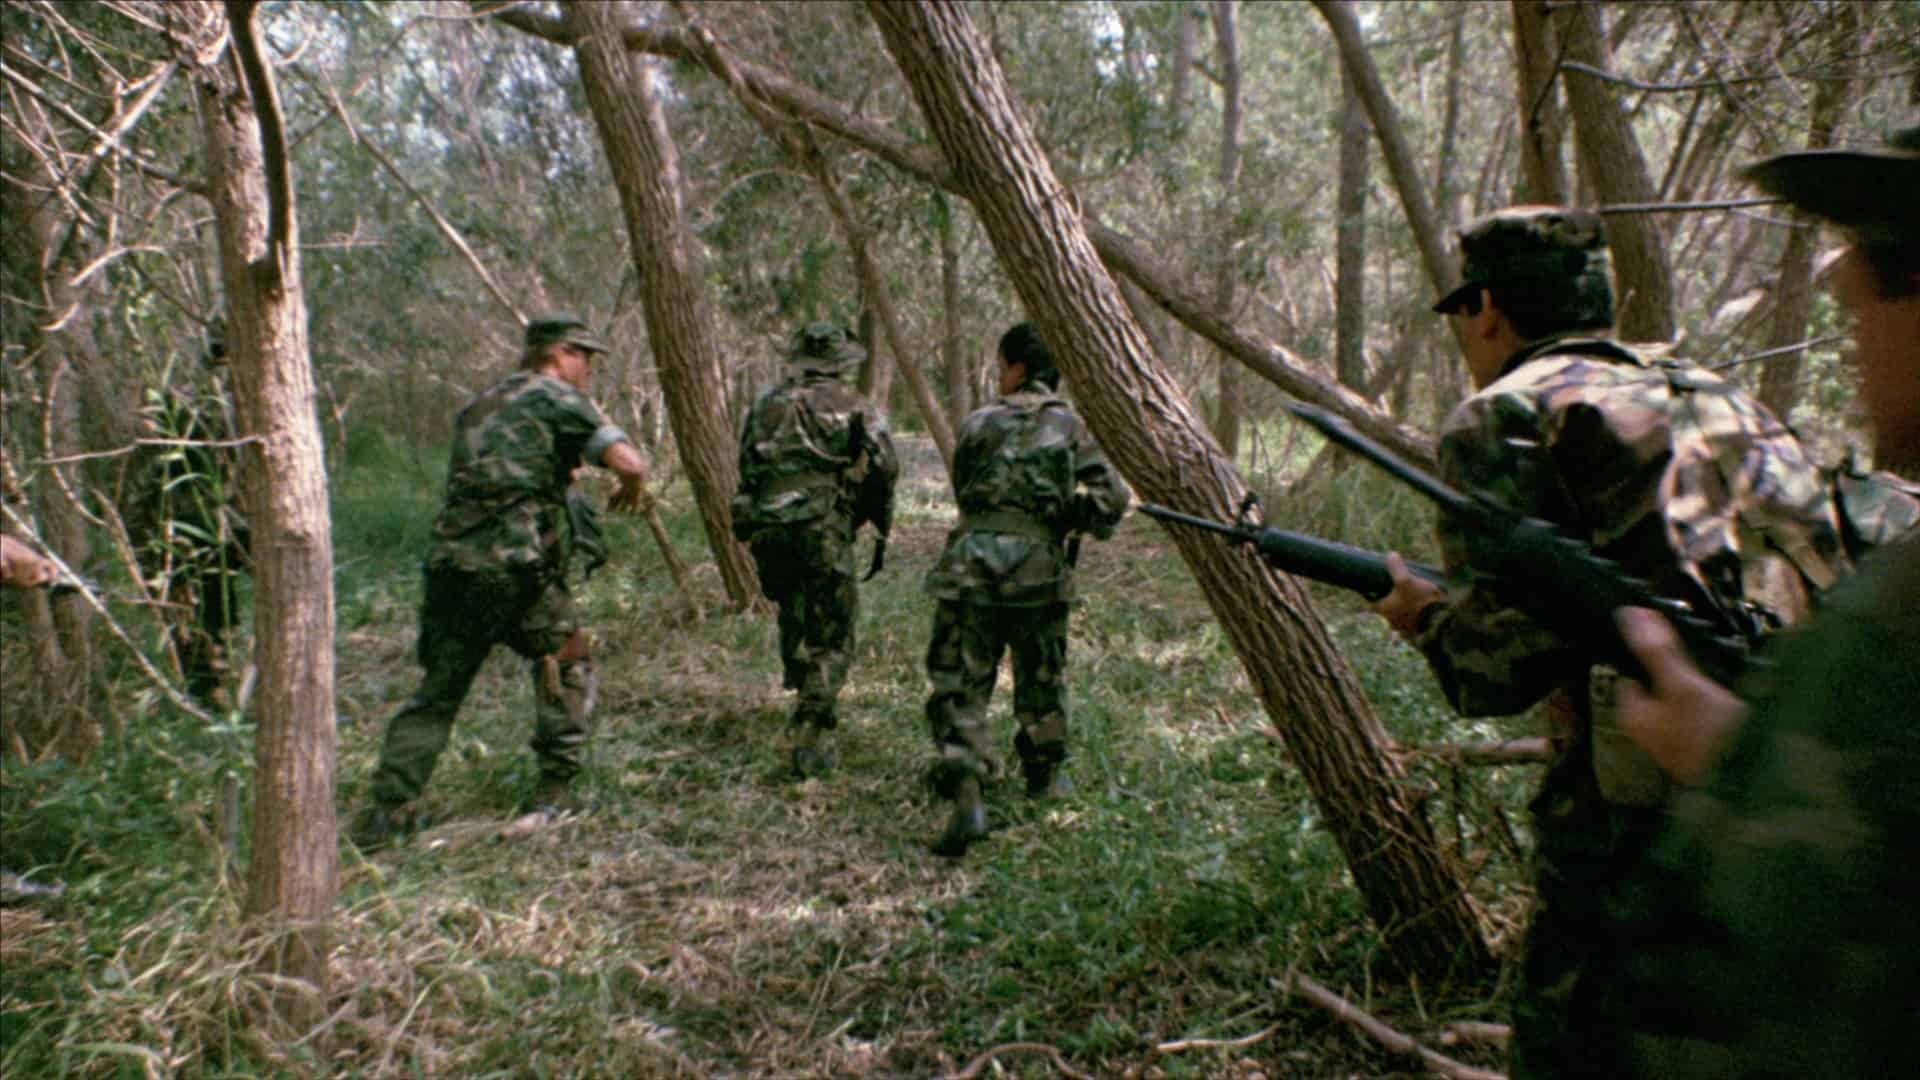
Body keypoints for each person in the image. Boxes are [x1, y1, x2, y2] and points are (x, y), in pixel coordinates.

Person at [1368, 206, 1851, 1079]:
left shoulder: (1502, 415)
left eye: (1463, 313)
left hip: (1625, 818)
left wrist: (1425, 618)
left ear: (1487, 309)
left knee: (1576, 1042)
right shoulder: (1713, 393)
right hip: (1787, 772)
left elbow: (1492, 675)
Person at [1609, 124, 1920, 1078]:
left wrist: (1740, 778)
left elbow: (1781, 966)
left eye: (1862, 299)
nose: (1854, 341)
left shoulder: (1893, 622)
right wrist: (1757, 750)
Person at [351, 313, 653, 851]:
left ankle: (388, 810)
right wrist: (629, 486)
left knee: (439, 691)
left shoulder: (479, 404)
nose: (588, 369)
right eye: (584, 357)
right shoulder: (559, 397)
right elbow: (629, 463)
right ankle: (556, 794)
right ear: (559, 355)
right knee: (567, 661)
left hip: (451, 567)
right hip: (516, 569)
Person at [921, 322, 1128, 857]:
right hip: (1038, 569)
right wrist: (1064, 515)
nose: (998, 376)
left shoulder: (978, 422)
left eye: (1001, 366)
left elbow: (967, 490)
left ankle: (968, 787)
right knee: (1041, 673)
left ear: (1016, 369)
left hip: (970, 566)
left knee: (961, 677)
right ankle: (1045, 774)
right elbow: (1111, 499)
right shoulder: (1071, 425)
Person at [730, 321, 898, 777]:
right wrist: (871, 516)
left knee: (794, 607)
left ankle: (803, 686)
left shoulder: (764, 403)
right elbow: (885, 465)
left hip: (769, 527)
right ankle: (812, 726)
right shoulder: (855, 405)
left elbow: (746, 464)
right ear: (841, 363)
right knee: (833, 628)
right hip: (821, 527)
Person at [129, 325, 250, 708]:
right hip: (183, 530)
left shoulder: (230, 402)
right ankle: (208, 698)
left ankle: (220, 690)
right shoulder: (194, 404)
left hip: (211, 527)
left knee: (212, 613)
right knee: (198, 619)